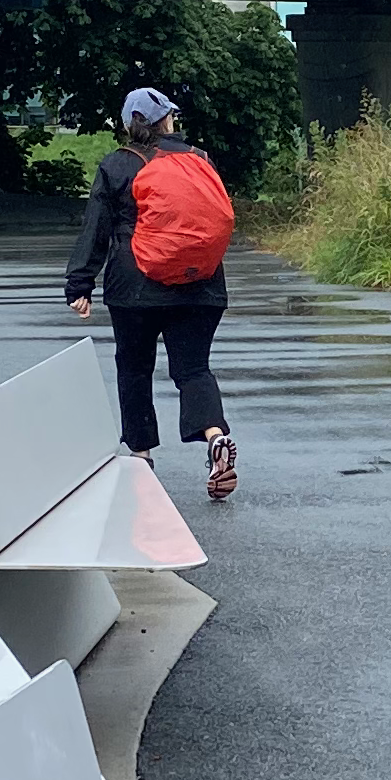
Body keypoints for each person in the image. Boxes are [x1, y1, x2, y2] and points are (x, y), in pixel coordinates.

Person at [66, 85, 240, 501]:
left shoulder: (118, 165)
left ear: (130, 124)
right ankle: (215, 436)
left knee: (134, 367)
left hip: (134, 287)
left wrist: (80, 283)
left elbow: (97, 228)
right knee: (194, 368)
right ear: (166, 120)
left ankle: (141, 458)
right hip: (201, 284)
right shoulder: (199, 160)